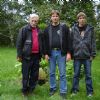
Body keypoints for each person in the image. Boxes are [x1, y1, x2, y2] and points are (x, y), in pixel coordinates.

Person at [44, 10, 71, 99]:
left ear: (59, 17)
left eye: (56, 16)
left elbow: (69, 40)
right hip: (51, 53)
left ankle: (63, 91)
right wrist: (46, 54)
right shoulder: (47, 28)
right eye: (53, 16)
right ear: (51, 18)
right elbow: (45, 42)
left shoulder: (64, 27)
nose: (55, 17)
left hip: (61, 53)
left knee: (62, 73)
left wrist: (68, 53)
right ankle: (52, 88)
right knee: (51, 72)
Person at [16, 13, 44, 96]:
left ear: (37, 21)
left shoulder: (39, 30)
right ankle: (24, 91)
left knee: (34, 75)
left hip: (37, 56)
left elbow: (41, 43)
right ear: (29, 20)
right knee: (25, 74)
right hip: (26, 56)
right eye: (32, 20)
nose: (34, 22)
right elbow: (19, 43)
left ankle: (31, 90)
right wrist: (19, 55)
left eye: (36, 21)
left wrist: (42, 54)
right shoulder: (24, 29)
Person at [70, 12, 96, 97]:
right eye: (80, 18)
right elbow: (71, 42)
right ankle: (74, 90)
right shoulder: (73, 29)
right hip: (77, 56)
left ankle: (90, 92)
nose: (82, 19)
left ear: (85, 19)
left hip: (87, 56)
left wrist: (92, 54)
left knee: (88, 75)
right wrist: (71, 53)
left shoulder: (90, 29)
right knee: (76, 74)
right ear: (78, 19)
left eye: (83, 18)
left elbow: (93, 43)